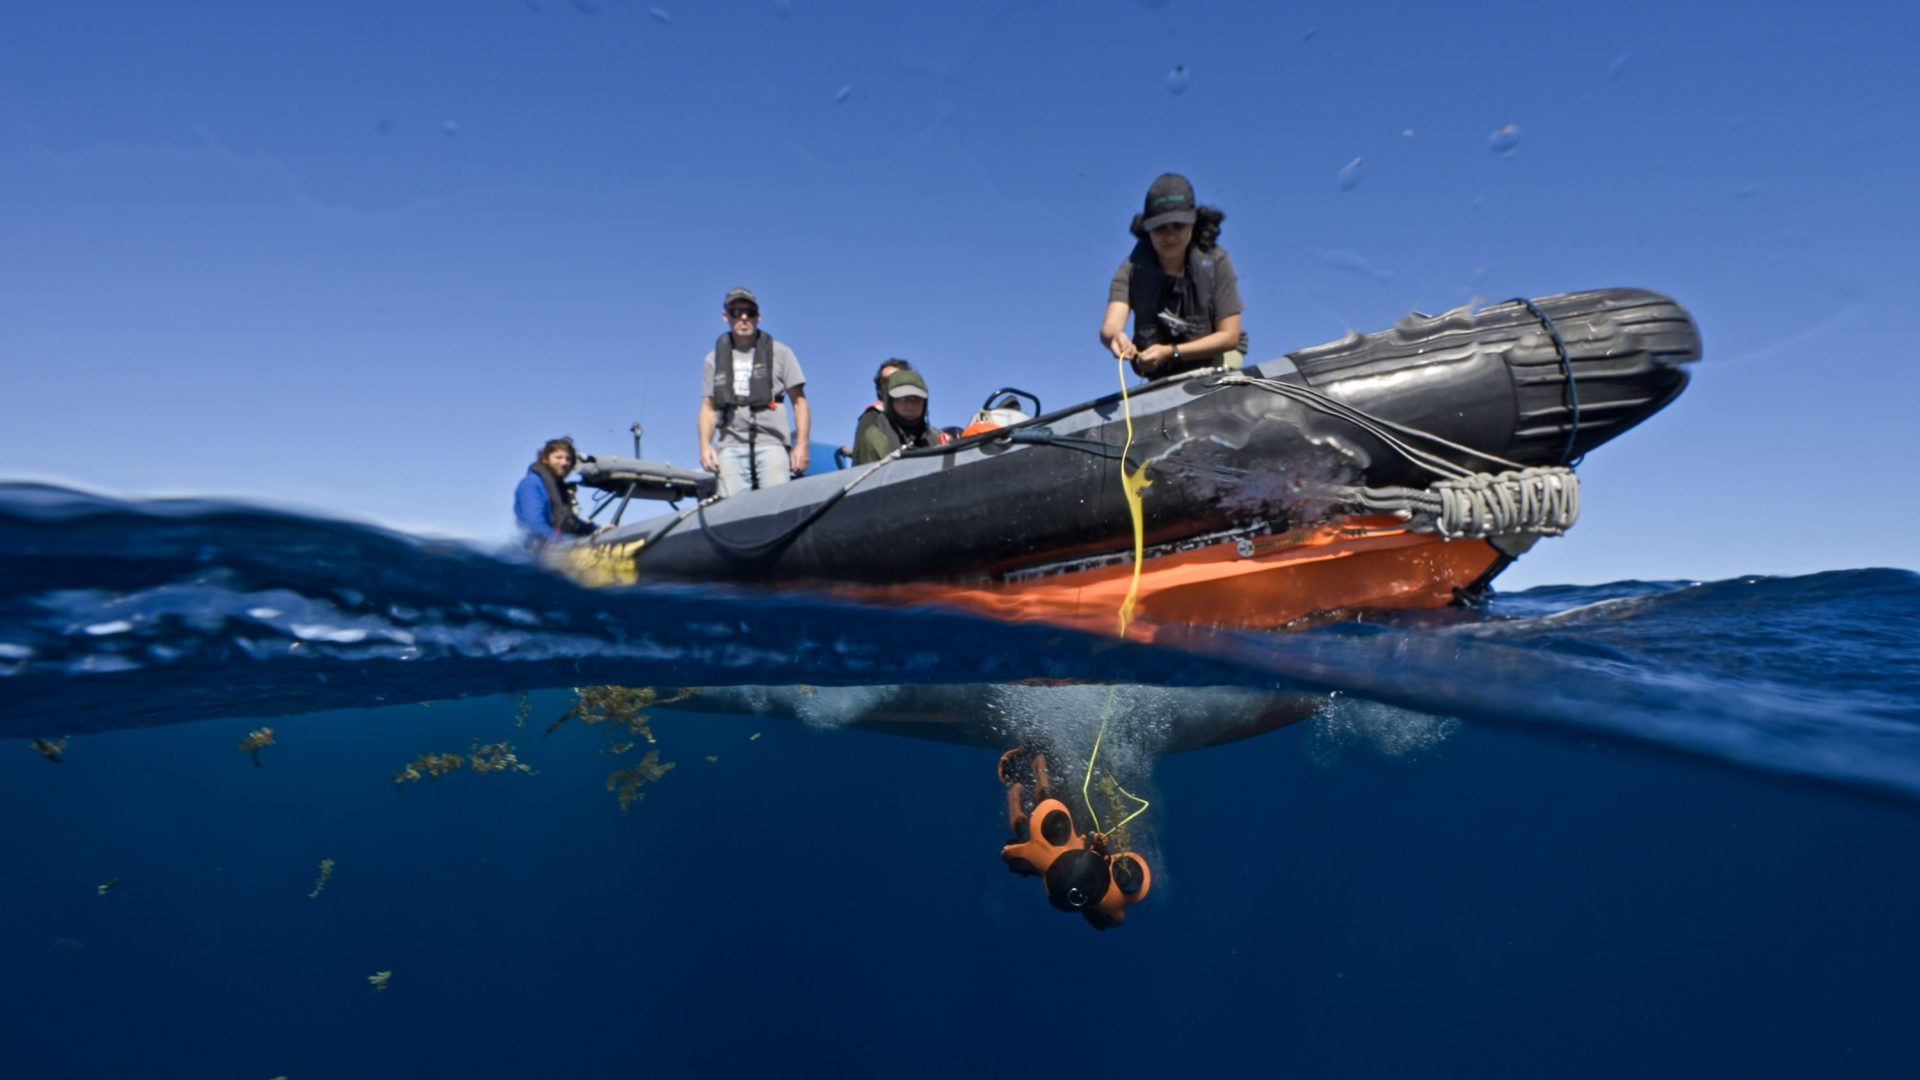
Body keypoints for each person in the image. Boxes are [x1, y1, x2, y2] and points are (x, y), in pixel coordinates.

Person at [1099, 173, 1248, 379]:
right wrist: (1115, 337)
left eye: (1178, 226)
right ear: (1148, 229)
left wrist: (1172, 352)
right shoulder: (1131, 269)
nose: (1169, 236)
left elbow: (1229, 336)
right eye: (1160, 228)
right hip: (1163, 368)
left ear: (1193, 223)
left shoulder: (1217, 261)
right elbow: (1110, 326)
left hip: (1217, 358)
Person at [697, 286, 811, 497]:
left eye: (749, 311)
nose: (743, 317)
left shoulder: (781, 352)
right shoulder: (712, 359)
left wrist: (802, 445)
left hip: (772, 444)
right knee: (732, 515)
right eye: (736, 311)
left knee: (777, 508)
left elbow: (800, 402)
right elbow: (708, 407)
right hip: (730, 447)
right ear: (726, 316)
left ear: (758, 316)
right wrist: (705, 446)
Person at [513, 437, 599, 546]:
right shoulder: (531, 483)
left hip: (557, 543)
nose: (564, 462)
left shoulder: (559, 488)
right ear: (545, 459)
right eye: (558, 457)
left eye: (568, 459)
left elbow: (569, 521)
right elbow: (534, 523)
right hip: (537, 550)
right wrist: (562, 542)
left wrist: (596, 530)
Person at [852, 368, 940, 464]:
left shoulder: (934, 438)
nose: (910, 406)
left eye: (916, 399)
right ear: (890, 402)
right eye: (902, 399)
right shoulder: (873, 439)